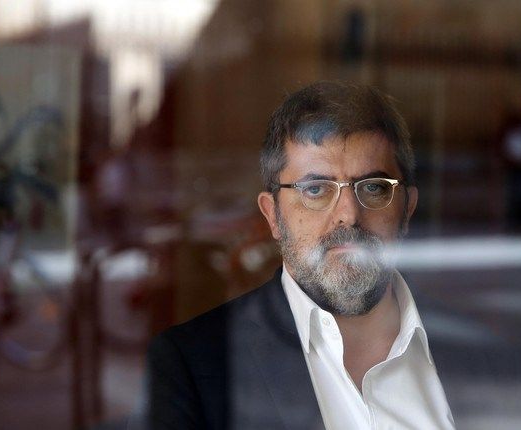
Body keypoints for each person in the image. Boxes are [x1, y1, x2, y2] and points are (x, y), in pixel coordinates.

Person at [147, 82, 455, 429]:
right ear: (273, 215)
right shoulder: (190, 366)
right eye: (316, 189)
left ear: (408, 208)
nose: (348, 214)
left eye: (373, 187)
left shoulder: (479, 351)